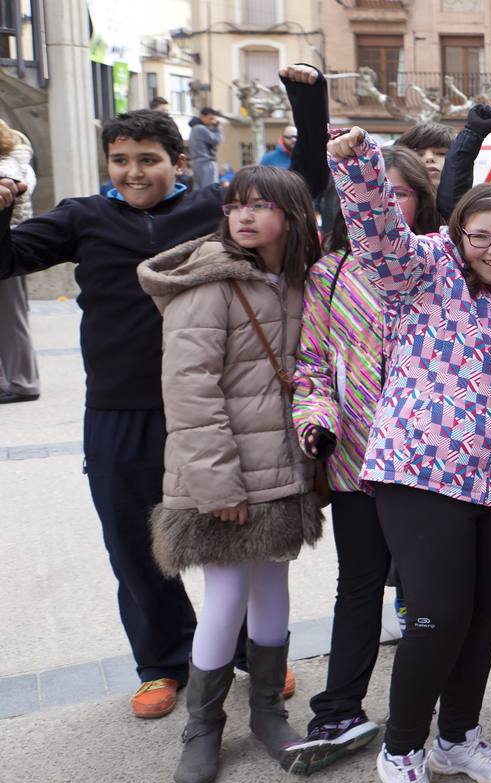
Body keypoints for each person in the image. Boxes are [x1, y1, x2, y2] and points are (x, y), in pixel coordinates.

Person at [0, 69, 328, 719]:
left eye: (147, 160)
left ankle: (243, 652)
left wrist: (307, 102)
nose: (133, 172)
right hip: (121, 411)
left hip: (215, 410)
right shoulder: (83, 217)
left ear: (178, 162)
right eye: (119, 161)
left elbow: (307, 185)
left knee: (227, 534)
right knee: (132, 541)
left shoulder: (215, 209)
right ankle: (160, 663)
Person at [328, 126, 491, 783]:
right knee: (436, 616)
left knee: (483, 617)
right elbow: (374, 235)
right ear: (459, 235)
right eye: (481, 236)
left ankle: (456, 737)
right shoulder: (420, 269)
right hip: (418, 472)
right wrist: (359, 164)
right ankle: (401, 752)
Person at [136, 165, 326, 783]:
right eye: (235, 205)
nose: (243, 216)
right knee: (223, 599)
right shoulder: (210, 283)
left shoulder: (301, 279)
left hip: (283, 467)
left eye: (259, 206)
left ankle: (268, 709)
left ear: (293, 217)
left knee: (272, 585)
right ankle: (204, 724)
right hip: (223, 474)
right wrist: (218, 485)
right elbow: (190, 392)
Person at [285, 144, 444, 776]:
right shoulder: (330, 274)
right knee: (357, 586)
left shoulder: (438, 266)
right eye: (378, 191)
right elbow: (314, 367)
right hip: (356, 458)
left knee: (432, 594)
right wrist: (316, 421)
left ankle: (438, 717)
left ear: (419, 202)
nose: (387, 203)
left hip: (429, 464)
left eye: (401, 193)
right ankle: (338, 707)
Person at [0, 118, 36, 404]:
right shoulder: (15, 161)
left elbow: (15, 192)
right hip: (14, 241)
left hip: (8, 243)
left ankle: (23, 382)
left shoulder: (8, 167)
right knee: (11, 315)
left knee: (12, 317)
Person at [396, 120, 455, 189]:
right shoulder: (386, 198)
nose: (429, 158)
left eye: (441, 153)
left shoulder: (469, 198)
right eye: (418, 155)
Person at [189, 108, 223, 189]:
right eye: (210, 118)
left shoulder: (195, 127)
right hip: (206, 164)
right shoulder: (200, 128)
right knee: (210, 191)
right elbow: (217, 140)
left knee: (199, 192)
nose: (212, 121)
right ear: (202, 116)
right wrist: (217, 127)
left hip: (197, 164)